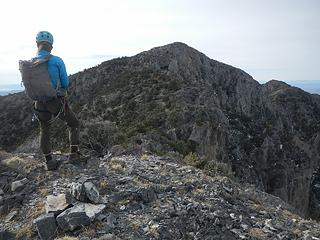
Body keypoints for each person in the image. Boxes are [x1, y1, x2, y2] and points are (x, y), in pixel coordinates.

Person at [32, 31, 85, 170]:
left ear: (37, 44)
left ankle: (49, 161)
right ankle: (74, 154)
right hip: (55, 101)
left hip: (38, 102)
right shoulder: (56, 61)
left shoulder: (31, 62)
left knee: (45, 129)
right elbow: (65, 83)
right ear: (51, 46)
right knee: (73, 123)